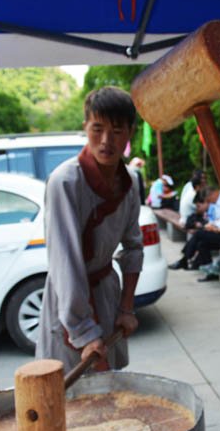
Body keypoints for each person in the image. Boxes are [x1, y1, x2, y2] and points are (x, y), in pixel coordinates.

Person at [36, 86, 143, 374]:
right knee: (71, 390)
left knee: (110, 386)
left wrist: (126, 308)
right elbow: (65, 262)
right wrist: (83, 331)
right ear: (85, 127)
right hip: (69, 304)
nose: (106, 141)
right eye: (97, 129)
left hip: (106, 293)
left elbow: (134, 246)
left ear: (130, 132)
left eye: (117, 131)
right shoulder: (65, 182)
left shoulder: (130, 182)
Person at [168, 187, 220, 270]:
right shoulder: (217, 201)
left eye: (208, 200)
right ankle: (210, 272)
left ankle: (184, 260)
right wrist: (211, 225)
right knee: (202, 244)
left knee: (198, 234)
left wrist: (215, 229)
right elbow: (218, 220)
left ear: (212, 194)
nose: (209, 203)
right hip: (218, 230)